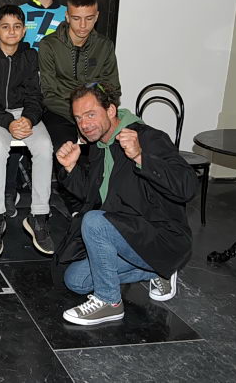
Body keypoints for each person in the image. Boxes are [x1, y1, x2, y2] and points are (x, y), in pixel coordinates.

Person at [56, 83, 196, 325]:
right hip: (127, 235)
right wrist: (71, 168)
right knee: (75, 280)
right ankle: (159, 270)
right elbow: (94, 196)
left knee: (94, 222)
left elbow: (187, 187)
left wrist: (141, 156)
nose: (84, 124)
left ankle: (109, 301)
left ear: (111, 110)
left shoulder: (148, 138)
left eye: (91, 114)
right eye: (78, 118)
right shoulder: (100, 146)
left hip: (162, 237)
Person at [0, 5, 54, 258]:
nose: (11, 31)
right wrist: (8, 122)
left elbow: (35, 95)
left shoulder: (30, 56)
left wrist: (28, 119)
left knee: (44, 146)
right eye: (5, 26)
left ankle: (39, 216)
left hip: (24, 113)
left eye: (17, 27)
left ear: (23, 31)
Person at [39, 0, 120, 169]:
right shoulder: (49, 45)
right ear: (67, 17)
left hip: (95, 112)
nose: (83, 25)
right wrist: (79, 118)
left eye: (89, 18)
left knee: (120, 143)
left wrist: (92, 116)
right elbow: (49, 94)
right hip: (60, 112)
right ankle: (73, 187)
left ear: (96, 16)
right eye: (76, 18)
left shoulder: (104, 46)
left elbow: (113, 89)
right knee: (65, 149)